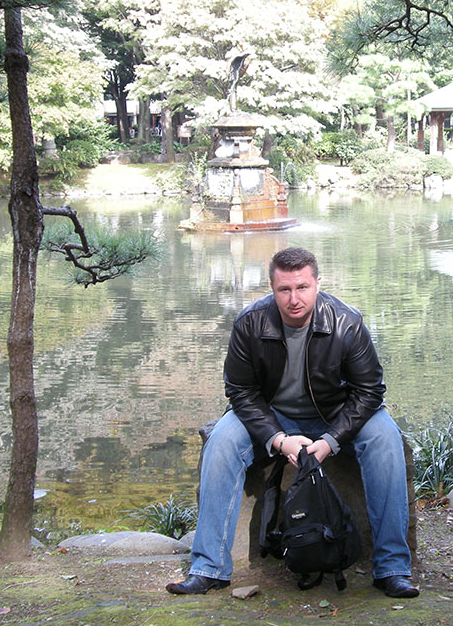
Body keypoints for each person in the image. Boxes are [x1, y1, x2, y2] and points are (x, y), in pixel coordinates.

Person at [167, 247, 418, 599]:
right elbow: (240, 391)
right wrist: (278, 439)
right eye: (284, 289)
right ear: (272, 288)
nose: (294, 299)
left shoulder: (347, 323)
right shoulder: (250, 323)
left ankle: (392, 568)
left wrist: (331, 441)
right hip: (273, 416)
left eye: (302, 287)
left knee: (385, 438)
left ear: (318, 284)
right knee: (222, 441)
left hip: (336, 414)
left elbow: (370, 391)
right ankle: (208, 569)